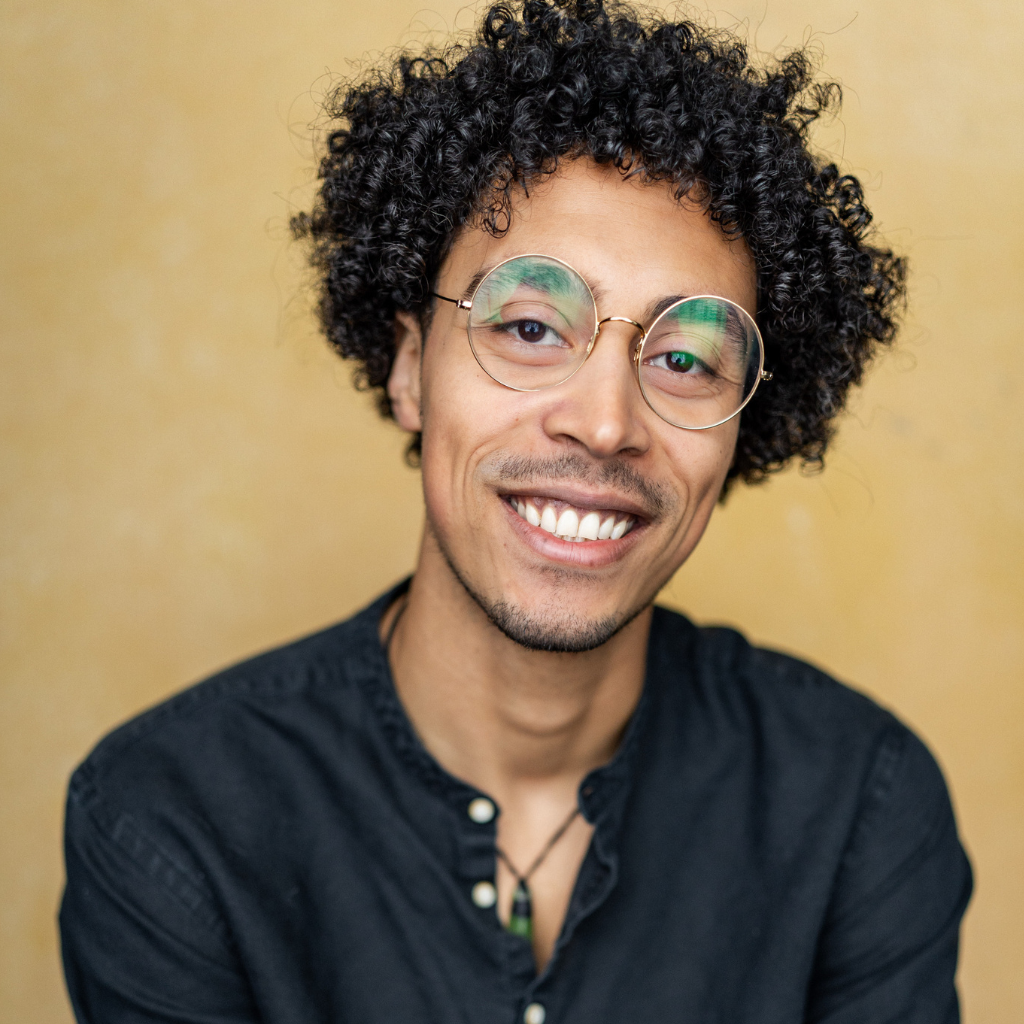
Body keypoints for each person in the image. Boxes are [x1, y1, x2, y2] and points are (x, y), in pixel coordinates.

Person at [59, 2, 972, 1021]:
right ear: (412, 368)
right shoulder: (170, 818)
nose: (605, 422)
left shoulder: (857, 804)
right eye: (532, 326)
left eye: (683, 358)